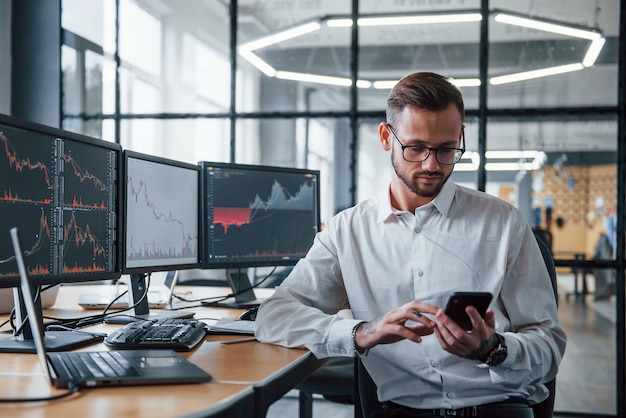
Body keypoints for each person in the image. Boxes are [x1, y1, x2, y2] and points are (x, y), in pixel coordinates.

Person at [255, 72, 566, 418]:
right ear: (386, 137)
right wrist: (362, 333)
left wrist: (493, 349)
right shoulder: (347, 232)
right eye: (416, 148)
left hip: (495, 407)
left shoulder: (504, 223)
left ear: (460, 138)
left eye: (447, 149)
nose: (432, 165)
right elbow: (274, 316)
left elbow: (549, 344)